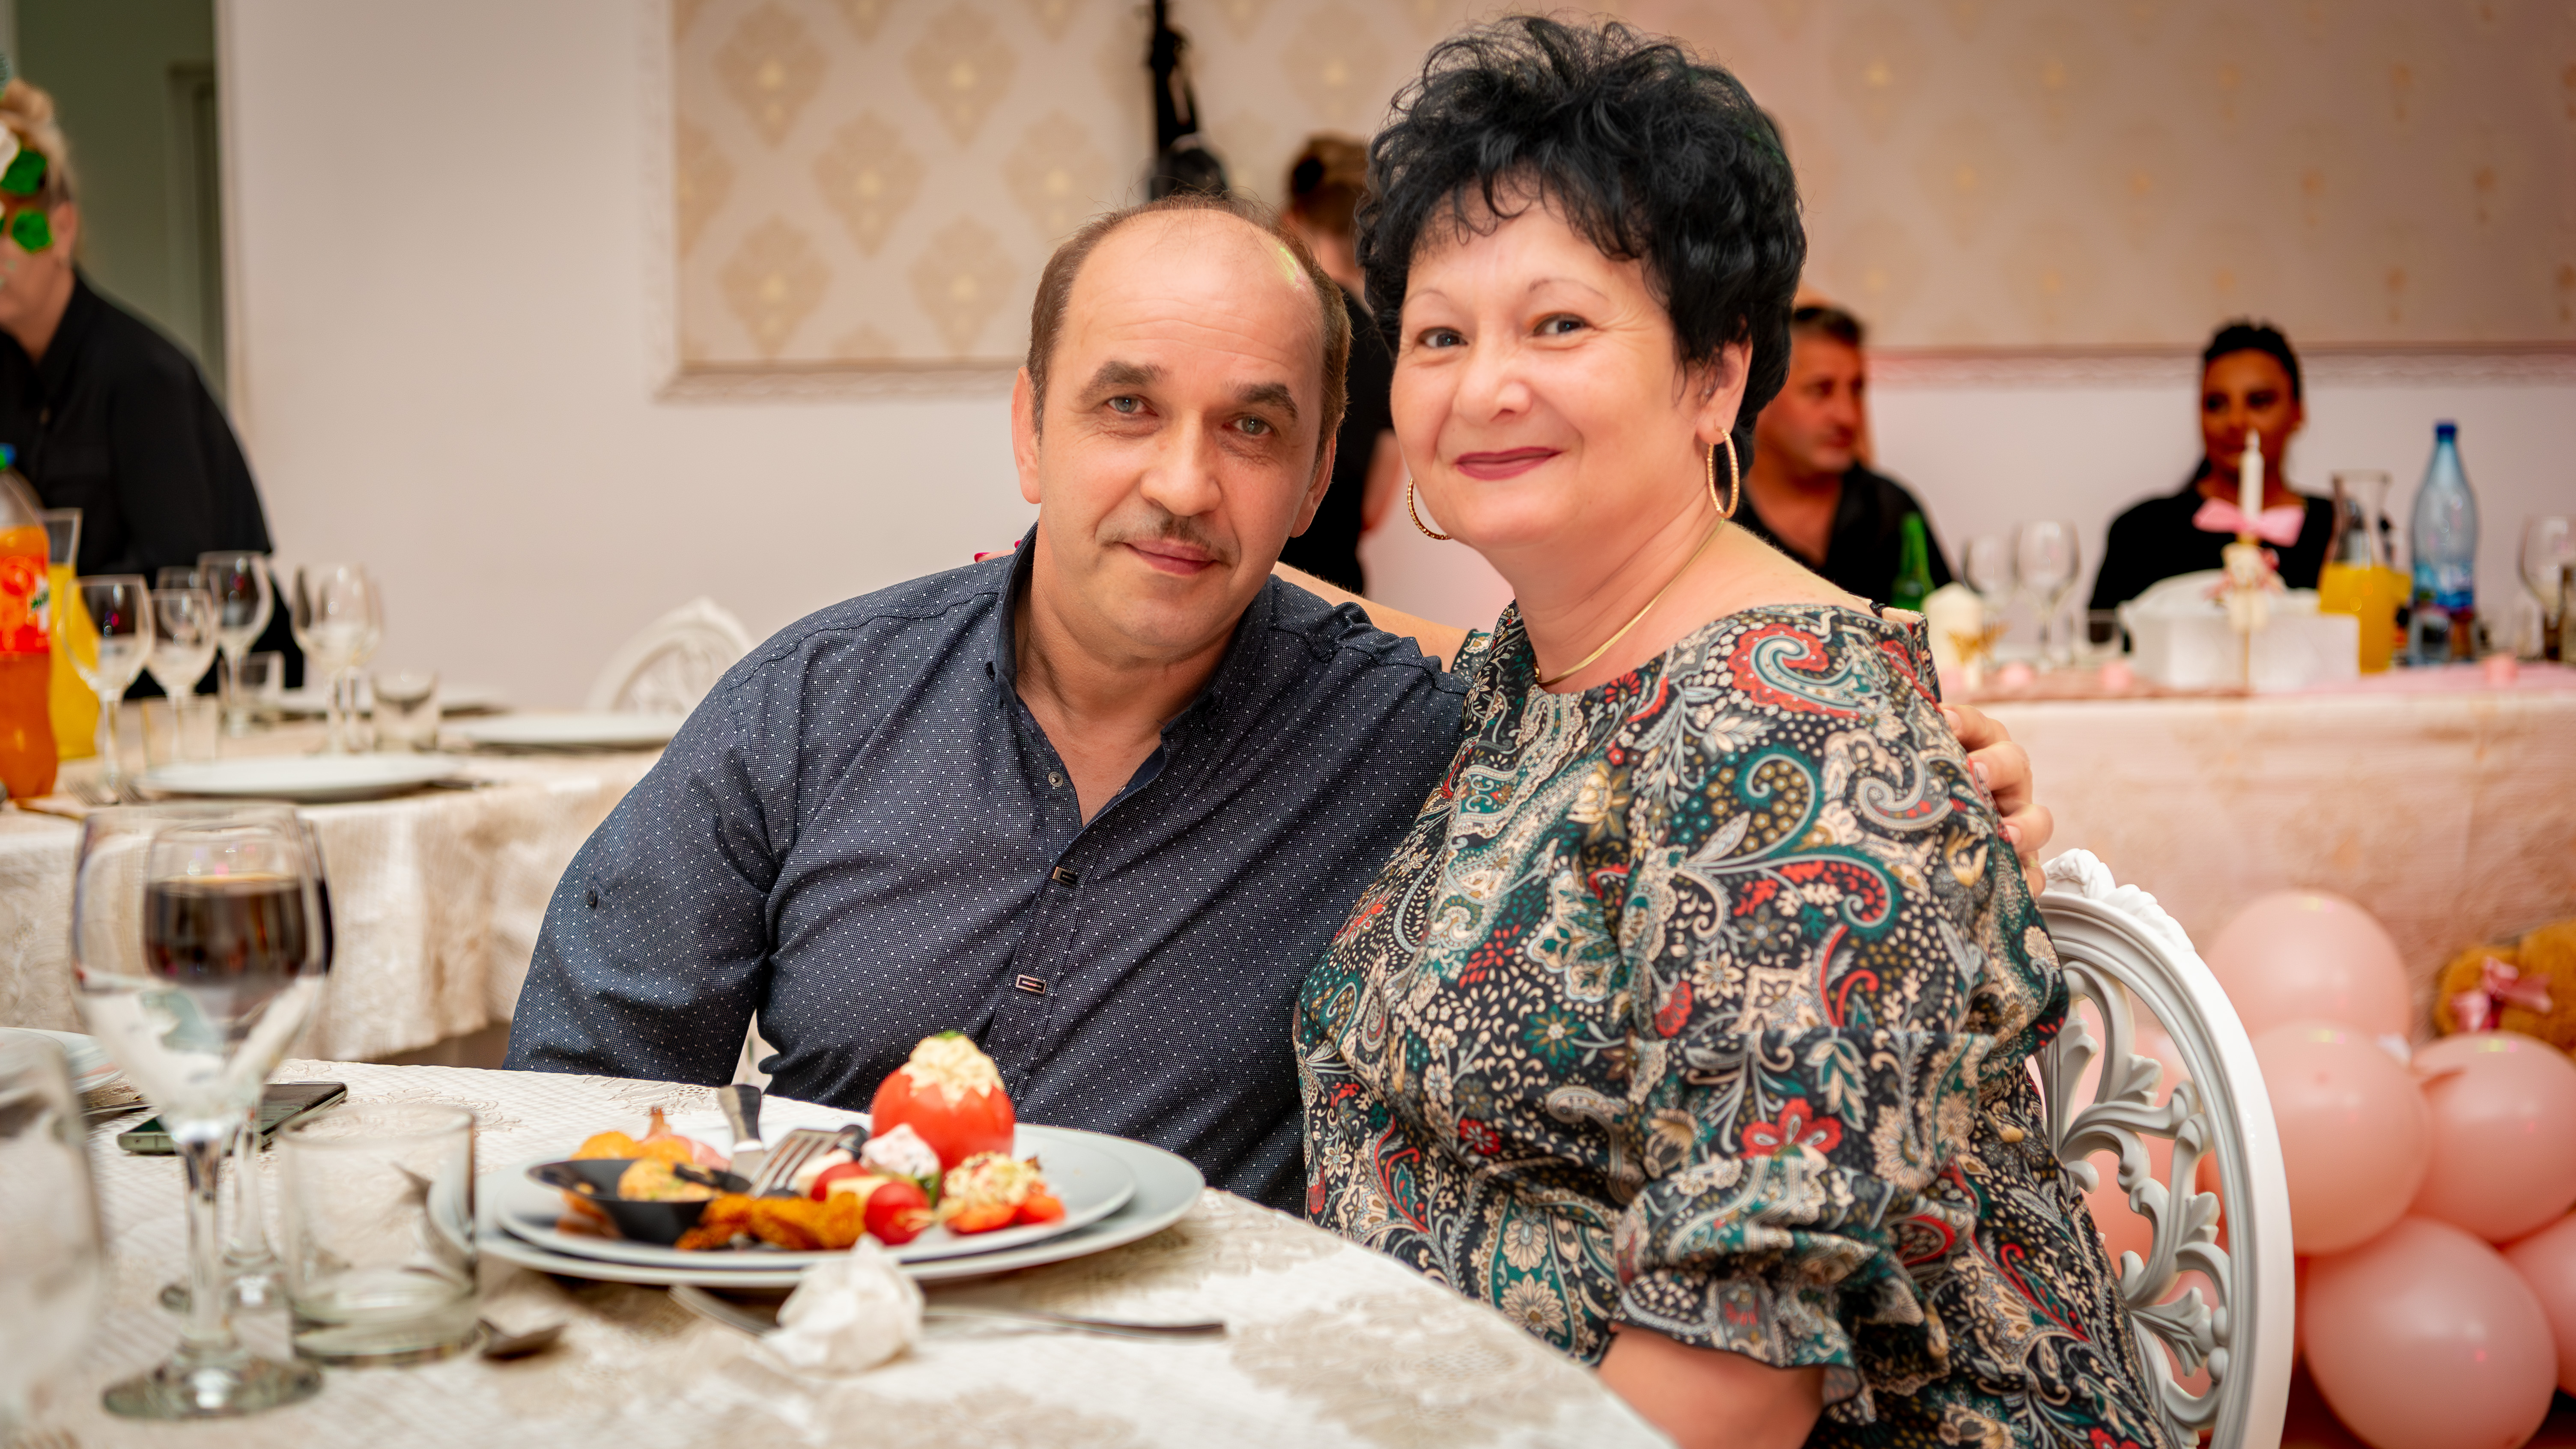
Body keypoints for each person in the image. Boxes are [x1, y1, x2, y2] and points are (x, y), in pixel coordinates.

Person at [507, 191, 2057, 1219]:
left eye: (1251, 430)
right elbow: (578, 1090)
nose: (1184, 484)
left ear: (1317, 480)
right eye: (1126, 407)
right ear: (1029, 431)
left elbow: (1679, 733)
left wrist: (1913, 749)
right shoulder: (815, 704)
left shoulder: (1421, 741)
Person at [1296, 20, 2157, 1448]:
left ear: (1714, 374)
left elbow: (1736, 1385)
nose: (1481, 385)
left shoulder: (1793, 737)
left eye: (1557, 324)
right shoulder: (1542, 665)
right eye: (1439, 335)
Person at [0, 80, 292, 686]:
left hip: (207, 689)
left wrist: (53, 618)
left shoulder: (142, 376)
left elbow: (174, 576)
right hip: (82, 690)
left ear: (61, 230)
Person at [2089, 319, 2334, 611]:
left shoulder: (2339, 530)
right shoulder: (2141, 532)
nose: (2236, 422)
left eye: (2259, 401)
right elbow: (2101, 636)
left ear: (2297, 412)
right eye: (2216, 404)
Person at [1740, 303, 1955, 602]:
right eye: (1821, 390)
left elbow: (1949, 621)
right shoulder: (1715, 516)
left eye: (1856, 390)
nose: (1849, 416)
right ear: (1757, 397)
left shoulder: (1890, 509)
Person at [1274, 134, 1402, 593]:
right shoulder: (1392, 355)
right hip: (1340, 602)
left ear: (1292, 219)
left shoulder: (1259, 326)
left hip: (1261, 589)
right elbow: (1372, 511)